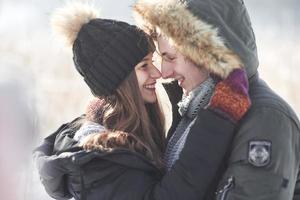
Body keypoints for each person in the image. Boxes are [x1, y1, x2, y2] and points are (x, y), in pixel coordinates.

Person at [34, 2, 251, 200]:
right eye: (144, 66)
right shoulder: (103, 159)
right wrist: (220, 115)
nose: (158, 72)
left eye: (154, 61)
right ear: (120, 82)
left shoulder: (124, 133)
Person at [133, 0, 300, 199]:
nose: (164, 72)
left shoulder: (265, 119)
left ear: (207, 53)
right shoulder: (196, 110)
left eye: (171, 58)